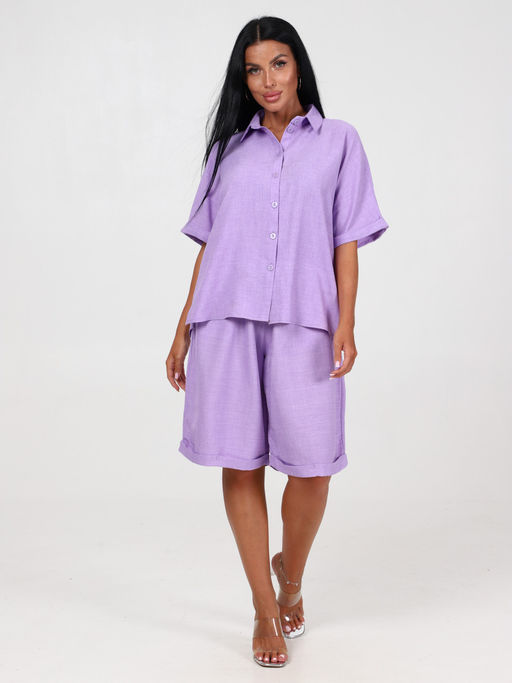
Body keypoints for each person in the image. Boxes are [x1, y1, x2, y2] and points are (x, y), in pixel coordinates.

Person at [166, 16, 389, 668]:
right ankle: (265, 609)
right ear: (244, 79)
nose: (267, 80)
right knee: (241, 463)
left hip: (304, 320)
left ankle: (290, 572)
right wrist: (182, 327)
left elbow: (346, 239)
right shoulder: (228, 151)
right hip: (226, 321)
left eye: (279, 64)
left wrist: (346, 321)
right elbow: (211, 246)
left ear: (298, 67)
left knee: (312, 467)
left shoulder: (339, 142)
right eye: (254, 69)